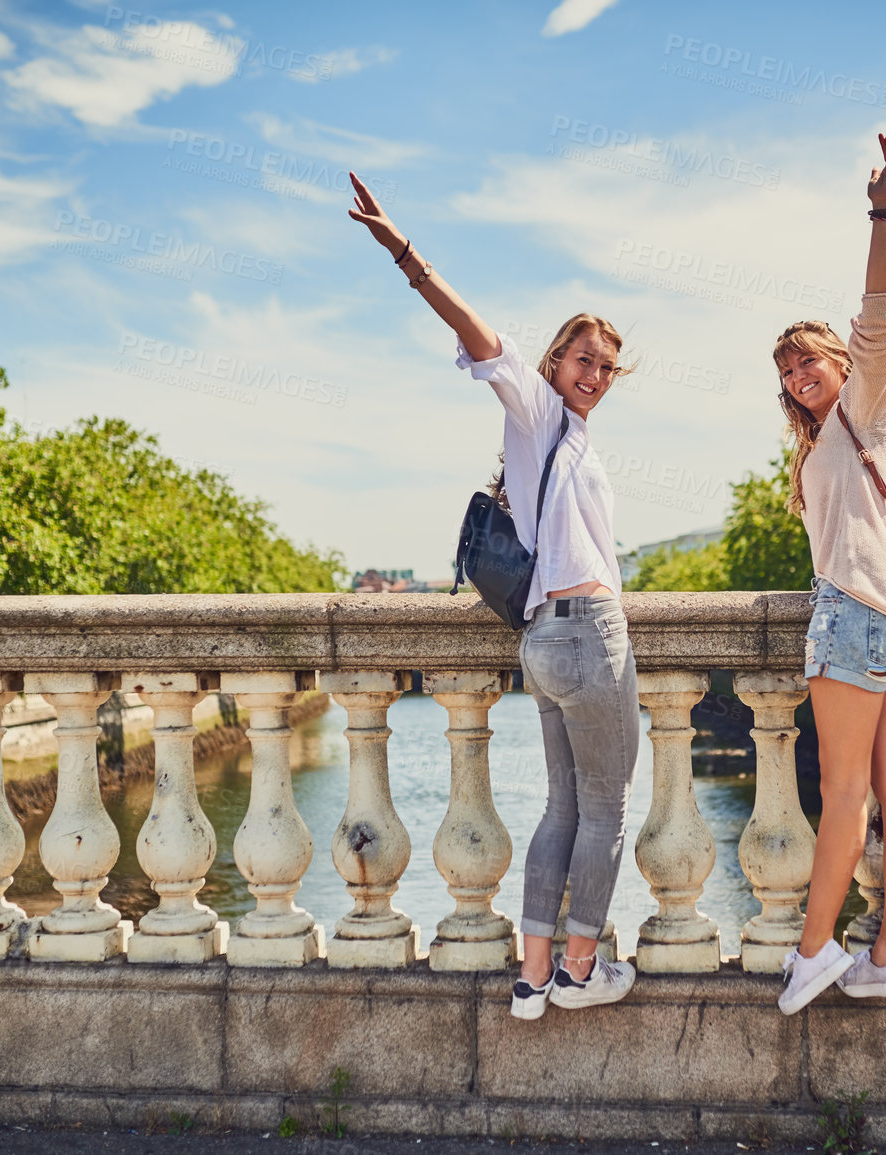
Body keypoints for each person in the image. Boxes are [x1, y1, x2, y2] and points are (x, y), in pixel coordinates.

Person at [347, 173, 641, 1020]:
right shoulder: (539, 410)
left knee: (562, 806)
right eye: (583, 358)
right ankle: (581, 967)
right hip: (586, 632)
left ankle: (533, 972)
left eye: (607, 367)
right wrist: (403, 251)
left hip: (545, 639)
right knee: (608, 809)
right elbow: (477, 334)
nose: (595, 373)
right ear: (553, 362)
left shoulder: (568, 434)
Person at [770, 135, 886, 1015]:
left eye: (809, 358)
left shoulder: (865, 406)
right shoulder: (849, 437)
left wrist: (881, 210)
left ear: (840, 362)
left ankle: (810, 954)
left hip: (858, 614)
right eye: (788, 370)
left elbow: (880, 313)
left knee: (842, 795)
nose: (799, 375)